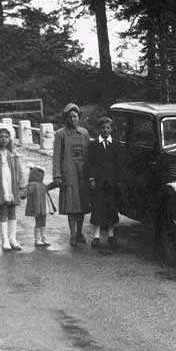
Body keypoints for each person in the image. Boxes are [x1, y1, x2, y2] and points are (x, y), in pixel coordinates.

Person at [52, 103, 92, 246]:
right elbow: (56, 156)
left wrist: (91, 174)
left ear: (78, 117)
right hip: (69, 174)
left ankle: (80, 232)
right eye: (69, 117)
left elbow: (89, 155)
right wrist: (57, 175)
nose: (72, 119)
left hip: (82, 173)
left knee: (81, 205)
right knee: (71, 205)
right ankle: (72, 234)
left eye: (75, 116)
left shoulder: (84, 133)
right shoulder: (60, 134)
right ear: (65, 119)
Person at [0, 126, 27, 251]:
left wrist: (22, 185)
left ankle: (13, 238)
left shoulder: (14, 154)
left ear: (10, 139)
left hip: (12, 182)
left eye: (6, 137)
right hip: (0, 183)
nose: (4, 139)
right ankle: (5, 240)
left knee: (12, 210)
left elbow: (20, 170)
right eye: (1, 137)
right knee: (3, 210)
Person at [87, 116, 124, 249]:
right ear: (99, 129)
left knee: (111, 208)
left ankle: (111, 235)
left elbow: (120, 164)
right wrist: (91, 179)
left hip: (112, 183)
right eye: (102, 128)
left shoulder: (116, 145)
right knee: (97, 208)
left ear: (111, 129)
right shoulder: (93, 145)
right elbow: (90, 164)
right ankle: (96, 236)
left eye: (107, 128)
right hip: (98, 182)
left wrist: (119, 180)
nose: (105, 130)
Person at [25, 166, 58, 247]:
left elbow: (27, 190)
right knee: (40, 222)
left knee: (42, 222)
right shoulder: (34, 185)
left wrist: (55, 184)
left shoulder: (37, 184)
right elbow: (27, 191)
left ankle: (42, 238)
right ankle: (38, 239)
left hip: (43, 206)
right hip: (39, 206)